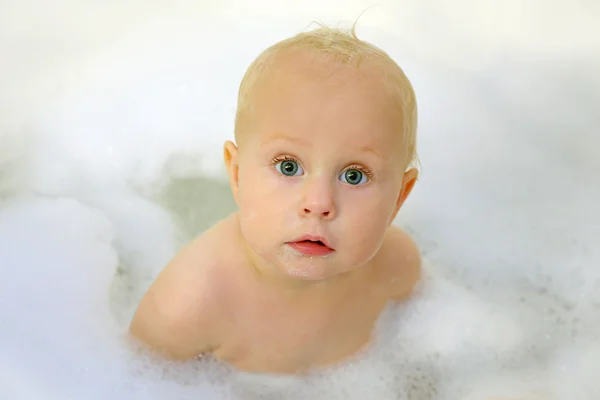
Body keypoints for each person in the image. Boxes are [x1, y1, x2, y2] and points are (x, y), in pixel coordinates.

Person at [129, 23, 422, 374]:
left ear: (399, 198)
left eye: (354, 175)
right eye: (288, 167)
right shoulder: (188, 304)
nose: (318, 202)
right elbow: (131, 383)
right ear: (236, 174)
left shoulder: (397, 267)